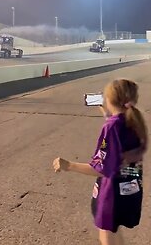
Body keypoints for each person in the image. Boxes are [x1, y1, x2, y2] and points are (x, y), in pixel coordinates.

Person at [53, 79, 147, 245]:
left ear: (110, 100)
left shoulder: (111, 127)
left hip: (112, 193)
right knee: (114, 229)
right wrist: (108, 115)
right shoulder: (133, 121)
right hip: (130, 187)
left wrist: (68, 165)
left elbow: (101, 168)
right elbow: (119, 133)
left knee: (107, 234)